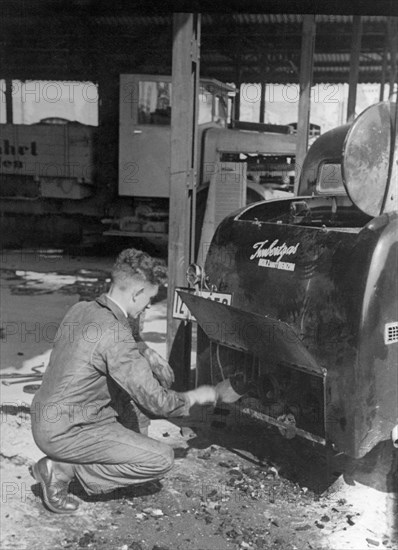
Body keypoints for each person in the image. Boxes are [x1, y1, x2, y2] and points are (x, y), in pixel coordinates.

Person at [30, 248, 217, 514]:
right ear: (136, 293)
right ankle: (62, 470)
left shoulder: (81, 309)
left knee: (132, 402)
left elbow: (101, 349)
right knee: (160, 459)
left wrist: (144, 351)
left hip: (46, 418)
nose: (146, 307)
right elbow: (157, 400)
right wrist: (197, 397)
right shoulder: (115, 333)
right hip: (68, 430)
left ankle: (88, 459)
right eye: (149, 300)